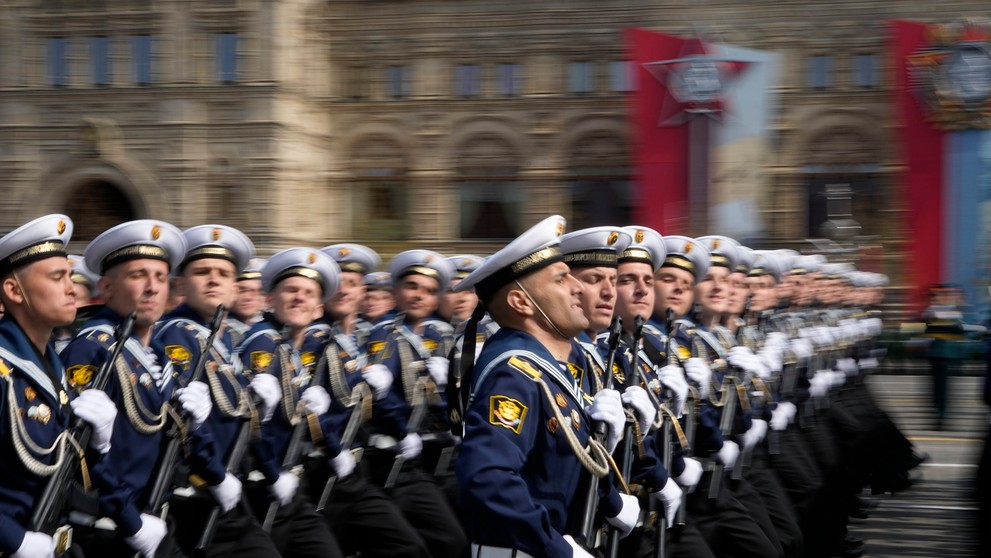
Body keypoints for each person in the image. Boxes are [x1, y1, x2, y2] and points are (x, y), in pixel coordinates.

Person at [454, 215, 639, 558]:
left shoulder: (549, 369)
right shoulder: (516, 372)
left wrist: (611, 501)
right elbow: (487, 478)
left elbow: (561, 463)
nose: (577, 287)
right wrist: (554, 547)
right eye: (561, 279)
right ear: (522, 302)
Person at [60, 219, 220, 557]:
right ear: (106, 287)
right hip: (113, 532)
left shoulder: (157, 355)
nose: (152, 287)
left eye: (160, 278)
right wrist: (132, 522)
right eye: (138, 276)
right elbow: (82, 455)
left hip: (152, 524)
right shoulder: (96, 348)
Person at [153, 224, 282, 557]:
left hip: (226, 494)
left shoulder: (220, 340)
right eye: (202, 272)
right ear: (180, 284)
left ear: (235, 287)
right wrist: (215, 475)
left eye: (224, 274)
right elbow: (186, 423)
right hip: (198, 497)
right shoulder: (177, 335)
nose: (214, 279)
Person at [0, 214, 118, 558]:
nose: (71, 287)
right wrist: (13, 539)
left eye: (70, 275)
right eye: (57, 277)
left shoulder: (51, 364)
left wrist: (100, 447)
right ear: (13, 290)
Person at [232, 247, 345, 558]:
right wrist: (271, 473)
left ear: (319, 308)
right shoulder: (263, 343)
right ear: (270, 299)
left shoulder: (288, 348)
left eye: (308, 293)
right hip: (264, 487)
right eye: (291, 290)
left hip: (291, 483)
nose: (299, 298)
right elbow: (252, 425)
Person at [361, 250, 468, 558]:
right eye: (412, 287)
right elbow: (379, 397)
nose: (420, 296)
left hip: (439, 451)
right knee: (441, 538)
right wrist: (400, 428)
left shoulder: (441, 334)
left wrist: (450, 399)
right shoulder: (383, 333)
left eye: (429, 291)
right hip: (394, 454)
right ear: (396, 291)